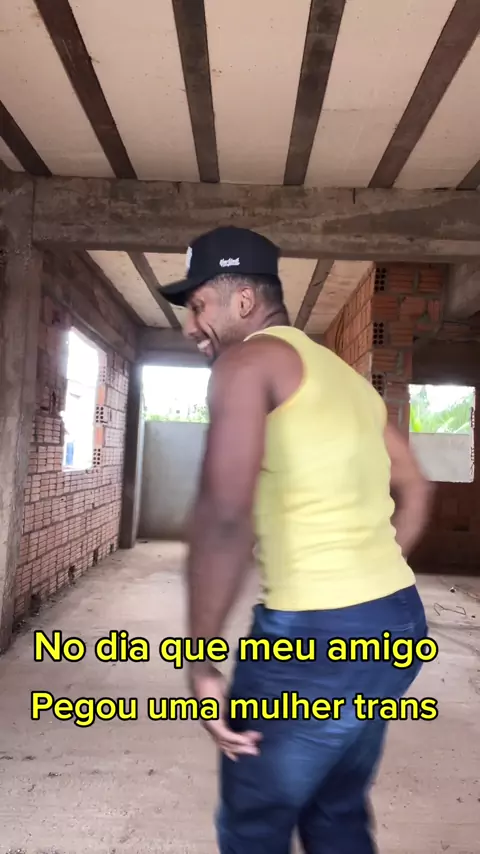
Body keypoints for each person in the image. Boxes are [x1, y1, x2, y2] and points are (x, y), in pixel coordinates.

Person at [160, 226, 434, 854]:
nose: (190, 326)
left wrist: (200, 660)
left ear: (244, 302)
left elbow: (223, 516)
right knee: (334, 811)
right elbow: (416, 488)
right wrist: (368, 580)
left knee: (254, 821)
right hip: (396, 622)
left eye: (198, 306)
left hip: (316, 637)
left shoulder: (246, 363)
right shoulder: (347, 380)